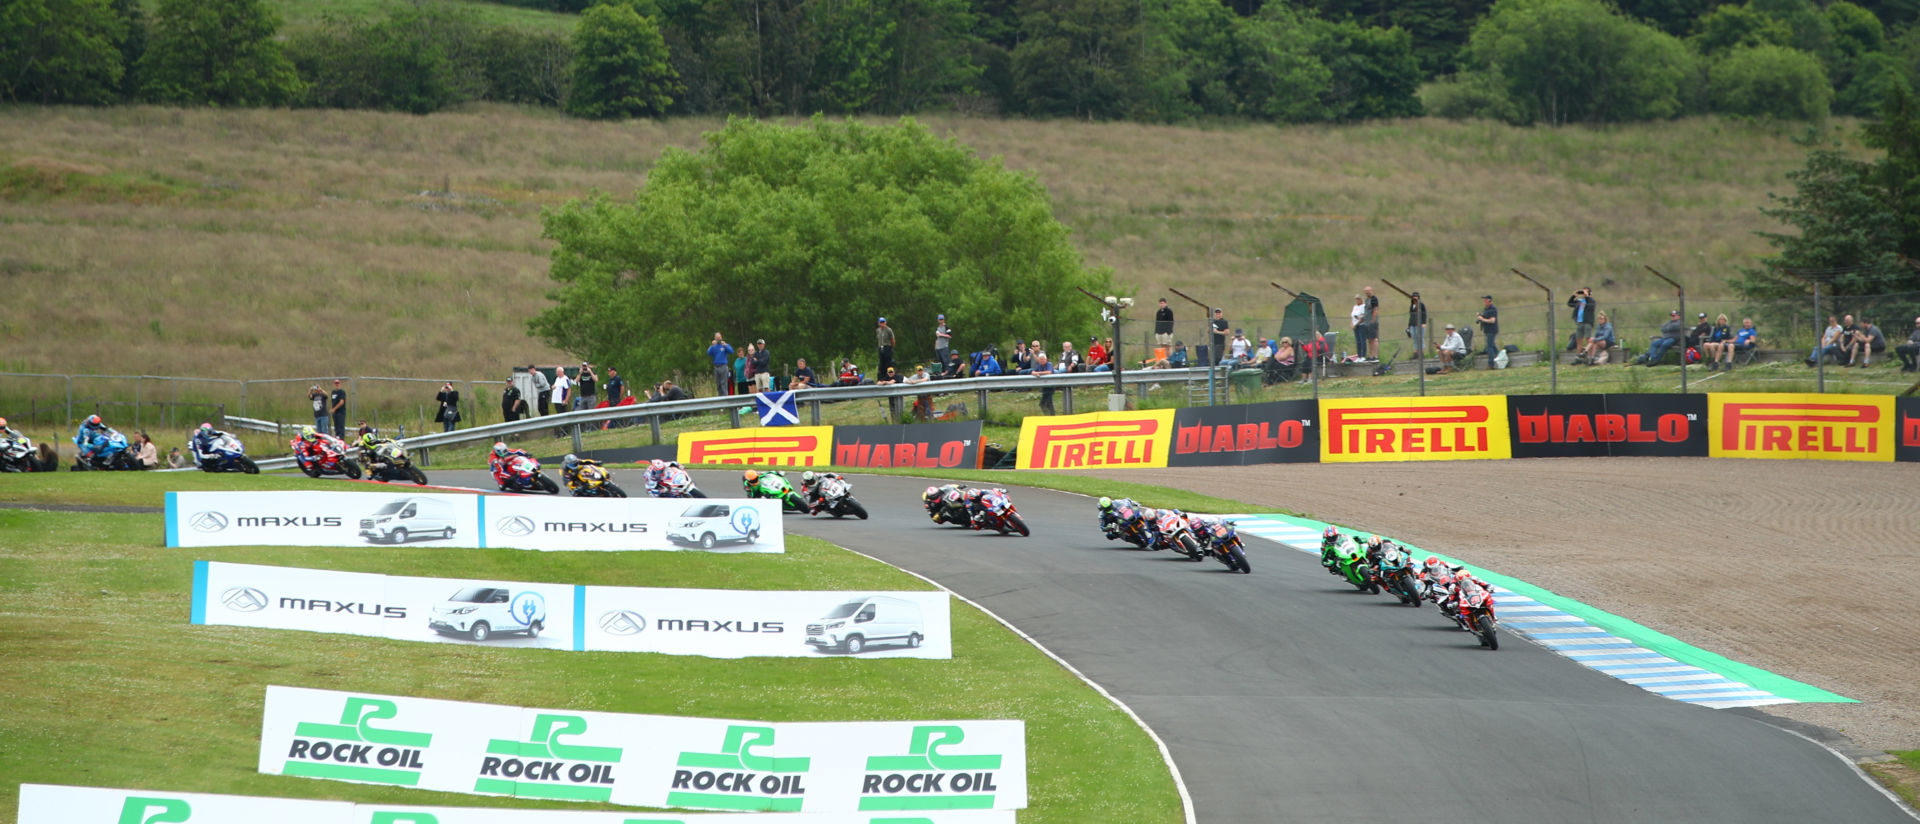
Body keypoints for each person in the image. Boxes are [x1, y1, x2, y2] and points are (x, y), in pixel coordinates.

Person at [1567, 287, 1597, 352]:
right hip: (1579, 323)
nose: (1584, 293)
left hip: (1587, 323)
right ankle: (1579, 357)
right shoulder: (1579, 301)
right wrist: (1574, 296)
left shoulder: (1592, 301)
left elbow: (1591, 307)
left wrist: (1587, 297)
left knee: (1588, 340)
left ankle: (1589, 357)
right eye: (1583, 291)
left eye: (1586, 291)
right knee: (1579, 341)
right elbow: (1570, 303)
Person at [1475, 295, 1499, 366]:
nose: (1484, 301)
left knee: (1489, 347)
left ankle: (1491, 364)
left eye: (1486, 300)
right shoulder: (1486, 309)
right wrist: (1480, 316)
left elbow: (1492, 320)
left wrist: (1482, 319)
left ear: (1489, 301)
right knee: (1493, 345)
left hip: (1492, 330)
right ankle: (1501, 357)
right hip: (1487, 330)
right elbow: (1486, 316)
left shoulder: (1492, 309)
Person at [1360, 285, 1381, 361]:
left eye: (1368, 291)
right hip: (1366, 322)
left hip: (1372, 322)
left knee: (1374, 339)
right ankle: (1371, 355)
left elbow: (1375, 310)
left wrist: (1373, 320)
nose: (1367, 293)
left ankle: (1375, 356)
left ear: (1371, 291)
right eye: (1366, 292)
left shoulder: (1374, 299)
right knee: (1369, 340)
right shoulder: (1366, 300)